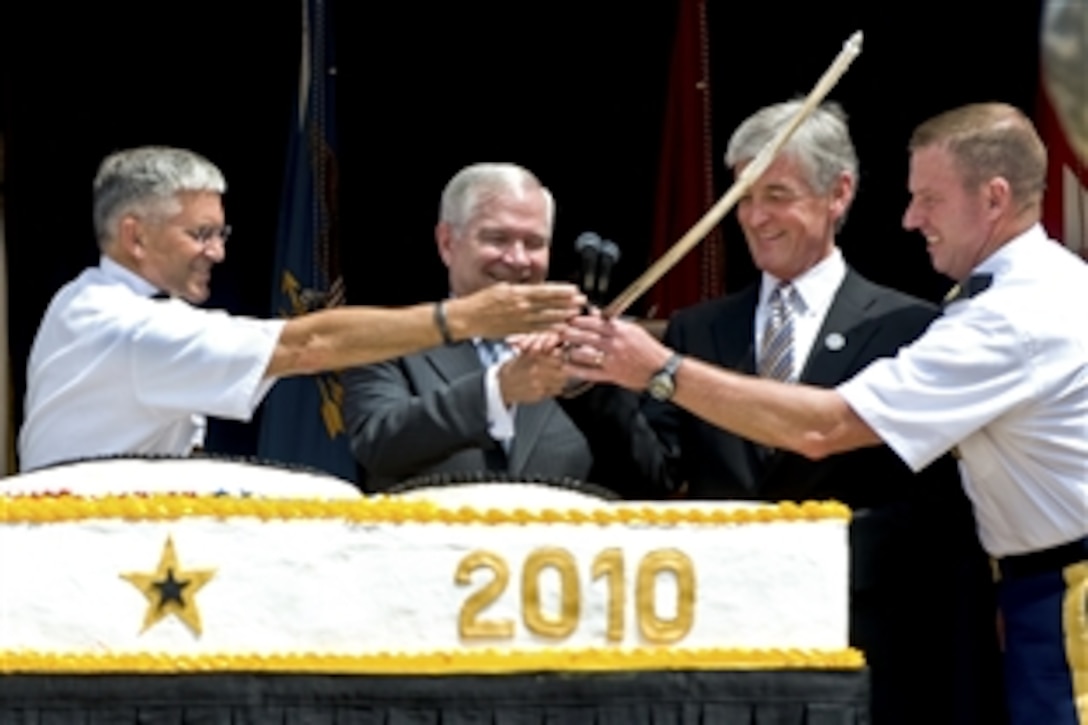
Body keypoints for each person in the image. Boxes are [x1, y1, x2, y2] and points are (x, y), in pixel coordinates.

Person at [563, 102, 1086, 725]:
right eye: (742, 199)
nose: (911, 218)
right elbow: (661, 471)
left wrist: (659, 371)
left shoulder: (980, 320)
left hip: (953, 624)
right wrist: (599, 381)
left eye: (928, 198)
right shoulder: (1029, 291)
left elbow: (831, 431)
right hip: (734, 639)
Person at [17, 147, 584, 472]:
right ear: (135, 236)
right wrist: (465, 319)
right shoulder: (121, 325)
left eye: (222, 232)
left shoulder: (94, 305)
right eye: (201, 233)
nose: (218, 252)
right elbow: (304, 346)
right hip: (82, 562)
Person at [339, 163, 662, 495]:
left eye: (534, 243)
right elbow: (378, 447)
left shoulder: (582, 343)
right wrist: (497, 391)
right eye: (498, 238)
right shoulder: (390, 340)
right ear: (448, 243)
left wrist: (590, 388)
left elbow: (649, 480)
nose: (518, 259)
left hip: (559, 545)